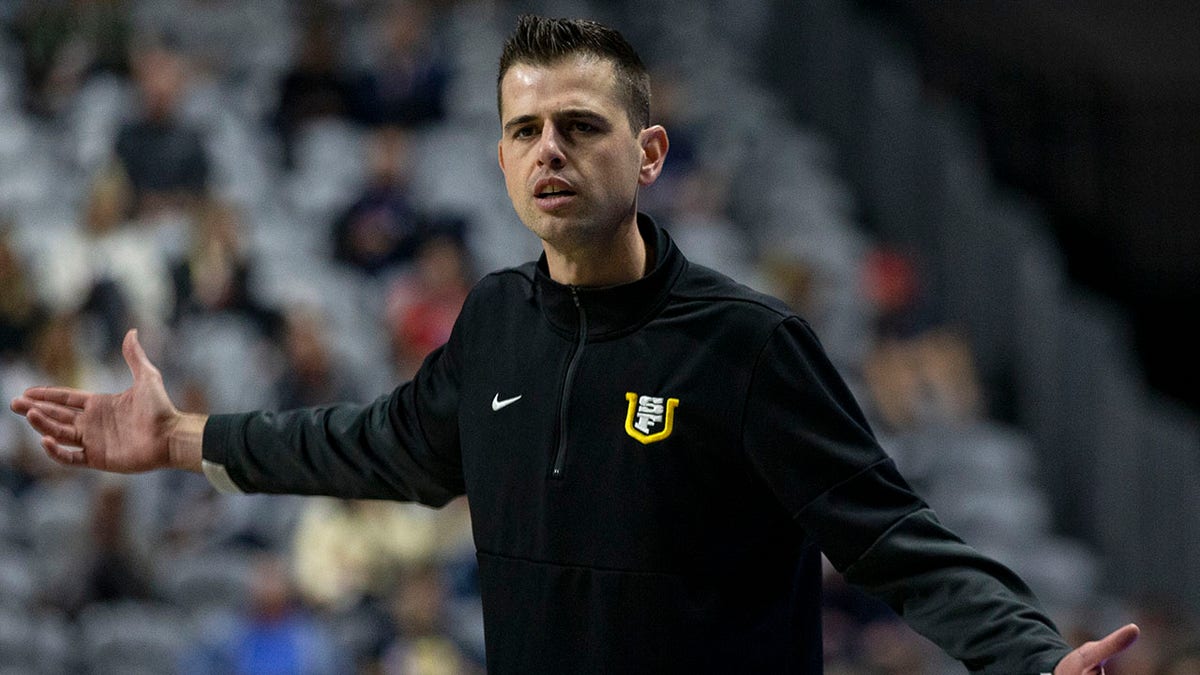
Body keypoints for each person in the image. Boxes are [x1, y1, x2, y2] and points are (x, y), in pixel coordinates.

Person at [10, 15, 1138, 675]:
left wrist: (1033, 659)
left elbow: (897, 540)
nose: (549, 150)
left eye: (580, 127)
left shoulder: (748, 344)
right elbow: (375, 445)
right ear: (500, 163)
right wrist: (181, 436)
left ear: (648, 154)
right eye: (524, 131)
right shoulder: (495, 321)